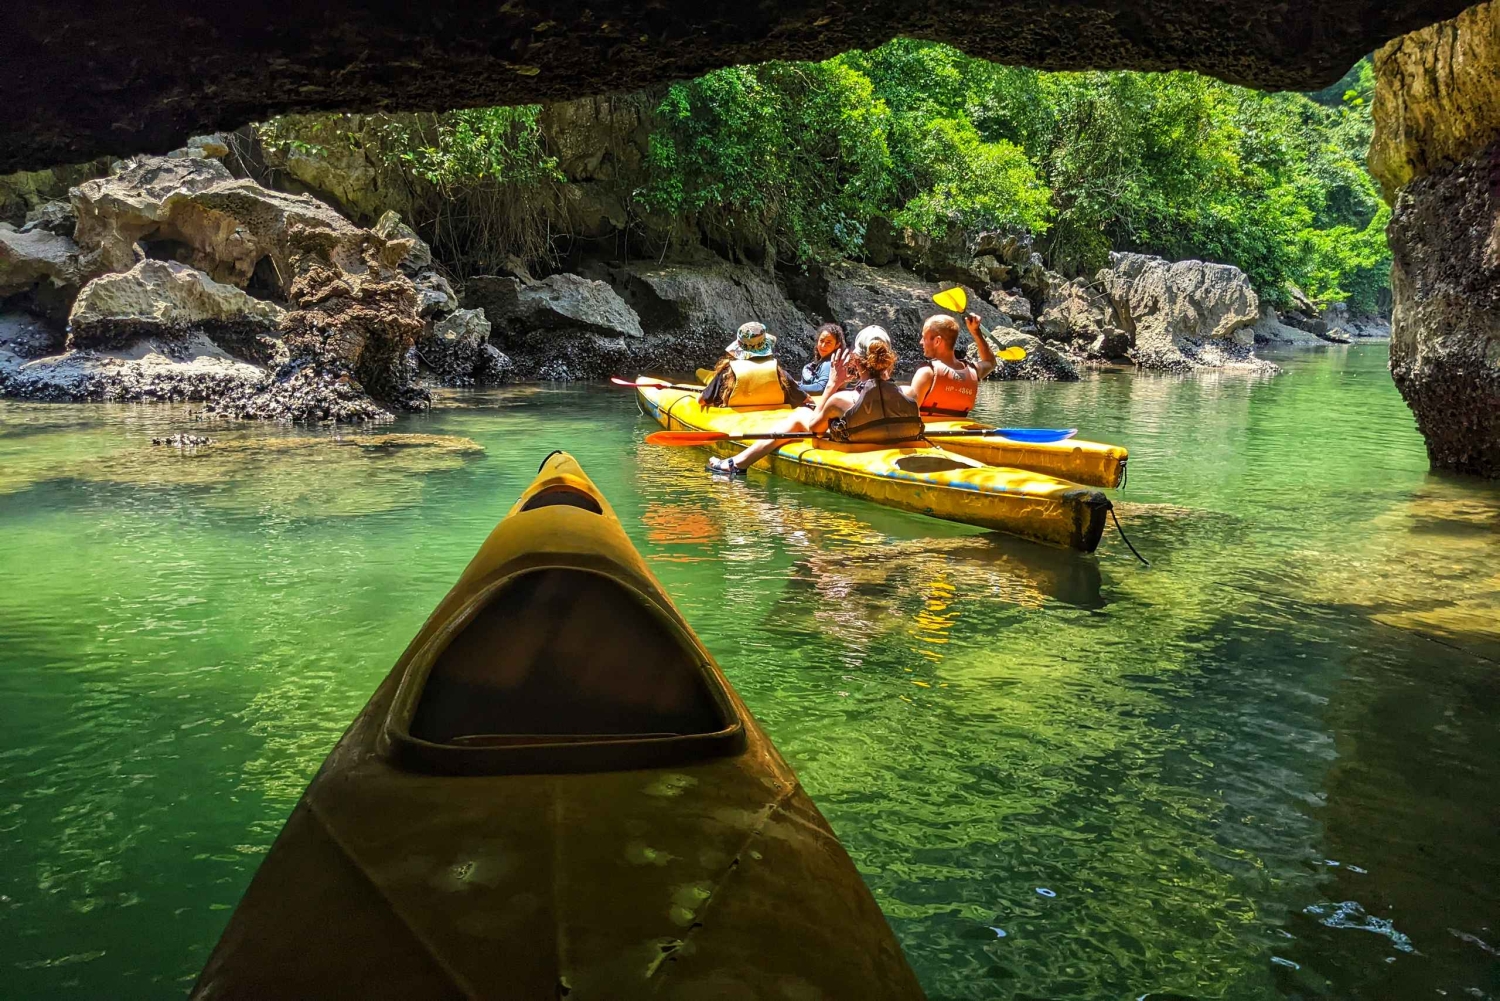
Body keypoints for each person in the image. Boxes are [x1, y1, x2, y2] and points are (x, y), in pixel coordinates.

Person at [708, 326, 922, 476]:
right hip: (895, 442)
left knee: (802, 415)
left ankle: (738, 464)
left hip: (856, 446)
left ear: (855, 359)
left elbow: (814, 427)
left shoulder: (842, 400)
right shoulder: (909, 393)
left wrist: (833, 383)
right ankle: (738, 463)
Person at [901, 312, 997, 418]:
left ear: (937, 341)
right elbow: (990, 362)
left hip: (930, 432)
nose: (921, 342)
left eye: (924, 338)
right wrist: (976, 332)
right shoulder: (972, 372)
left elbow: (908, 416)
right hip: (960, 432)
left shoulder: (927, 373)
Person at [699, 322, 807, 409]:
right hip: (773, 423)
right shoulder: (779, 373)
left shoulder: (727, 373)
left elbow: (702, 400)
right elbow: (805, 399)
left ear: (739, 347)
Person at [797, 323, 846, 395]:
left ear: (837, 345)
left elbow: (820, 388)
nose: (823, 346)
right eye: (821, 341)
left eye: (828, 342)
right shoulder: (821, 363)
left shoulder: (828, 364)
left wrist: (793, 387)